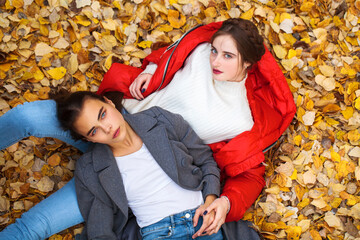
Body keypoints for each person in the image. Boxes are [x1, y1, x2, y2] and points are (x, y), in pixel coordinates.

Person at [0, 18, 296, 239]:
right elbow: (173, 54)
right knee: (28, 116)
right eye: (215, 51)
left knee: (33, 227)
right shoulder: (201, 53)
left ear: (248, 63)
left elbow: (246, 173)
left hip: (134, 168)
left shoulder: (242, 119)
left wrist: (224, 201)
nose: (216, 60)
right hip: (112, 115)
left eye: (228, 56)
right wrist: (151, 71)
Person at [55, 90, 224, 239]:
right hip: (160, 232)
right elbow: (100, 227)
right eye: (94, 130)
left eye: (103, 114)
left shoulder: (160, 119)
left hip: (204, 221)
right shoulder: (90, 168)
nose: (107, 128)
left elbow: (205, 160)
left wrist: (210, 202)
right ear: (88, 139)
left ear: (109, 102)